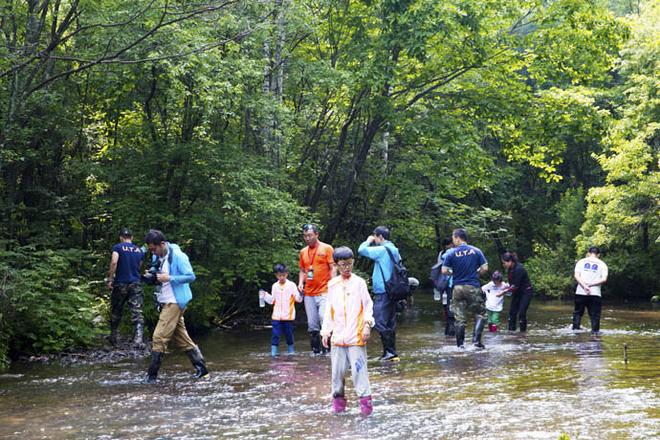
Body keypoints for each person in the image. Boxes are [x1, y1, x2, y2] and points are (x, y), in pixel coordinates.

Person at [143, 230, 208, 383]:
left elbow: (191, 276)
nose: (153, 252)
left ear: (162, 244)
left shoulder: (178, 256)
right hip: (165, 300)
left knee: (159, 337)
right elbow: (156, 271)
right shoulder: (158, 256)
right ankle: (202, 370)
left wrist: (170, 278)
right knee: (181, 338)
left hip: (175, 301)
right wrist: (151, 275)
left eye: (154, 249)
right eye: (150, 249)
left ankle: (151, 377)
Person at [321, 246, 374, 416]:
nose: (347, 268)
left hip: (356, 336)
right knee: (337, 375)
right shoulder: (332, 285)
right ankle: (338, 413)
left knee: (360, 374)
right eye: (343, 264)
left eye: (350, 264)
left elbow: (368, 306)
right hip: (337, 338)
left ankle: (367, 412)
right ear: (336, 265)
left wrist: (367, 324)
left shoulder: (359, 283)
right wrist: (325, 331)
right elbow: (329, 311)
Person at [358, 226, 402, 361]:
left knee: (379, 320)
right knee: (390, 321)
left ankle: (389, 352)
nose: (374, 239)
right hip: (393, 290)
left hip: (383, 291)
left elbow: (361, 250)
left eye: (375, 236)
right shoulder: (394, 249)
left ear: (380, 237)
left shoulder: (382, 250)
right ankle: (391, 352)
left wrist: (367, 240)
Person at [441, 228, 489, 348]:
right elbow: (485, 268)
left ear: (458, 238)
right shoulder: (476, 251)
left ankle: (460, 345)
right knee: (480, 314)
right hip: (472, 286)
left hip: (457, 288)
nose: (453, 241)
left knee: (459, 318)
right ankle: (476, 341)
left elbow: (444, 270)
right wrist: (476, 273)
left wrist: (454, 273)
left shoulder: (451, 253)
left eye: (453, 238)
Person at [298, 224, 336, 355]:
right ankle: (315, 352)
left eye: (309, 235)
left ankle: (328, 351)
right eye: (305, 236)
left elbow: (333, 267)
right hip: (309, 292)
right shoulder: (303, 252)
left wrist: (333, 283)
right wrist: (300, 283)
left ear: (316, 234)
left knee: (324, 319)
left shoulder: (327, 248)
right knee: (312, 324)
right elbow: (302, 270)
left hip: (324, 290)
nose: (307, 238)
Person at [105, 228, 145, 348]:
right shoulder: (139, 250)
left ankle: (114, 336)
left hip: (121, 282)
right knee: (137, 311)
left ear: (121, 237)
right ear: (131, 237)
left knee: (116, 310)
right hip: (135, 283)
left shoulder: (118, 247)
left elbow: (114, 262)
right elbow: (139, 266)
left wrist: (110, 278)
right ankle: (138, 338)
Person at [260, 263, 303, 356]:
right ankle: (273, 353)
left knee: (289, 335)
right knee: (275, 335)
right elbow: (272, 301)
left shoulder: (291, 285)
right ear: (276, 275)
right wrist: (265, 295)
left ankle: (291, 352)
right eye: (279, 275)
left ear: (286, 274)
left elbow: (298, 299)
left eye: (283, 275)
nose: (282, 277)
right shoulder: (274, 286)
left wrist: (301, 293)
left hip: (288, 316)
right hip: (276, 316)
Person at [573, 246, 608, 335]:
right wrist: (590, 285)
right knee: (595, 316)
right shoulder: (602, 264)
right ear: (598, 255)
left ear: (588, 253)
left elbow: (576, 276)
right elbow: (604, 279)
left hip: (580, 292)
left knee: (577, 314)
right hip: (595, 293)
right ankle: (595, 335)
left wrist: (584, 286)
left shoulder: (581, 262)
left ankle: (575, 333)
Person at [500, 252, 534, 332]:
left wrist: (503, 292)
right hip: (517, 292)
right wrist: (506, 287)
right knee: (512, 313)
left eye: (504, 263)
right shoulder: (510, 269)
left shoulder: (519, 269)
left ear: (510, 261)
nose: (503, 265)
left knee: (521, 313)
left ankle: (523, 334)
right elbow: (512, 284)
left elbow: (515, 286)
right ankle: (511, 333)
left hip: (526, 292)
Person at [436, 238, 456, 336]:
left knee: (449, 305)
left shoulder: (444, 254)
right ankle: (453, 331)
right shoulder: (455, 251)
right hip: (455, 283)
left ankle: (449, 331)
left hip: (447, 283)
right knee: (455, 306)